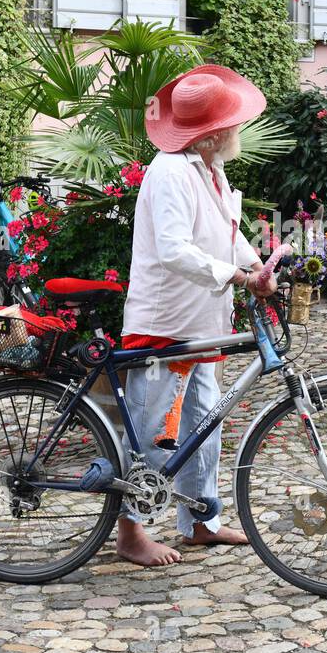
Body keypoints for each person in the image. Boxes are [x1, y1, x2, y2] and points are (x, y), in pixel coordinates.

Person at [116, 64, 278, 567]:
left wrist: (257, 265)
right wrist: (236, 276)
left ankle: (202, 521)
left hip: (202, 322)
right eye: (231, 122)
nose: (237, 130)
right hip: (165, 323)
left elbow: (226, 232)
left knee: (204, 424)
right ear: (211, 132)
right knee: (154, 430)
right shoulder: (169, 173)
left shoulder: (208, 169)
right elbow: (172, 250)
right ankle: (130, 533)